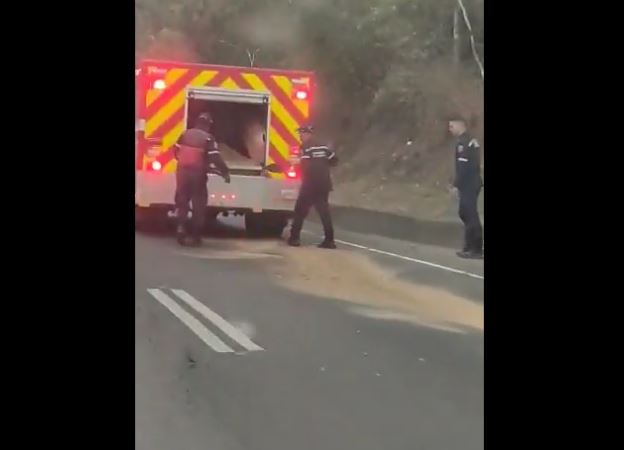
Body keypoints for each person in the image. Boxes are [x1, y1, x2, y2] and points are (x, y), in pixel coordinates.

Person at [174, 112, 230, 247]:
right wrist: (225, 172)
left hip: (181, 173)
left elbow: (175, 151)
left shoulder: (185, 134)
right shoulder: (208, 139)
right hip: (197, 175)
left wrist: (182, 163)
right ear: (208, 125)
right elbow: (215, 157)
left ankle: (181, 227)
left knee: (182, 201)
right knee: (198, 203)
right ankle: (195, 235)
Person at [288, 125, 338, 249]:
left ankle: (294, 239)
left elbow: (304, 164)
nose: (300, 137)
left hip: (310, 184)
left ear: (308, 134)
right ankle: (330, 240)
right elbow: (335, 160)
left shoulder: (305, 147)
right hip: (324, 183)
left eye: (301, 134)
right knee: (324, 212)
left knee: (300, 211)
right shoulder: (324, 146)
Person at [448, 117, 483, 259]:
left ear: (459, 125)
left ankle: (475, 248)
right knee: (465, 213)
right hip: (472, 182)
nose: (449, 129)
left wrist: (456, 185)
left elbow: (463, 167)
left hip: (469, 183)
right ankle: (470, 246)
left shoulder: (463, 143)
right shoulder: (471, 140)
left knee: (469, 214)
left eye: (451, 126)